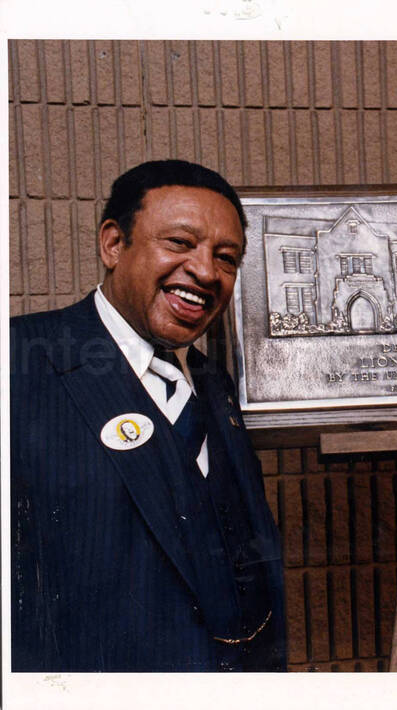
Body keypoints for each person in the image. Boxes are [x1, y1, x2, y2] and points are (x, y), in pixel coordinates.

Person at [11, 160, 287, 671]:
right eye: (181, 243)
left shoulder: (214, 385)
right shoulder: (21, 360)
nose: (206, 272)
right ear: (113, 245)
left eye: (226, 258)